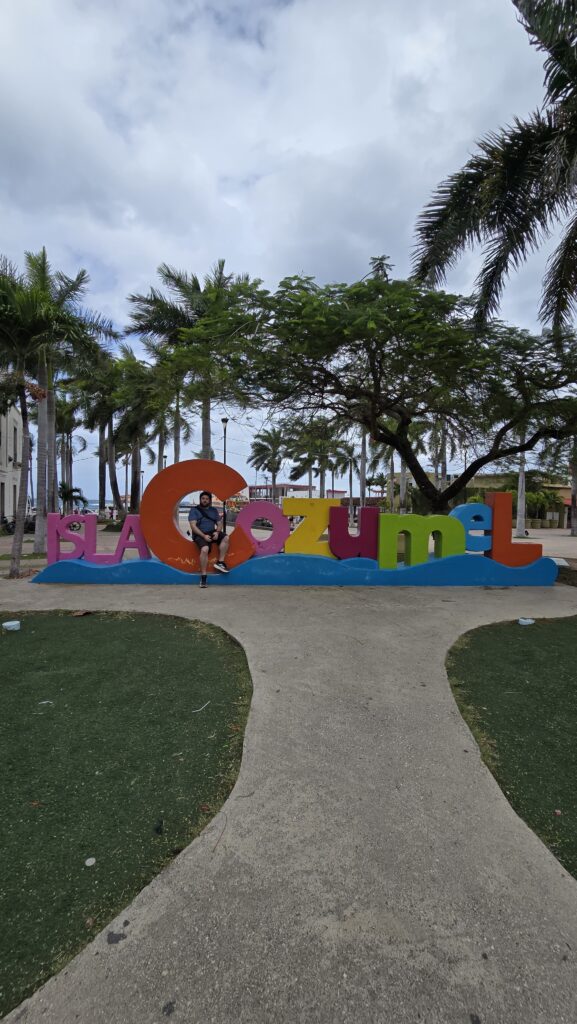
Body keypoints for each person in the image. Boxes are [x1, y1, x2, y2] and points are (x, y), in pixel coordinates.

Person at [188, 491, 230, 588]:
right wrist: (203, 536)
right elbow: (193, 526)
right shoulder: (194, 510)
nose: (205, 500)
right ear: (200, 499)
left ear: (210, 500)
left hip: (212, 532)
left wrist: (217, 532)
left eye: (207, 499)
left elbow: (219, 523)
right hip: (199, 534)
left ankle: (220, 562)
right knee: (204, 549)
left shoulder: (213, 510)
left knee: (226, 538)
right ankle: (203, 576)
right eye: (203, 498)